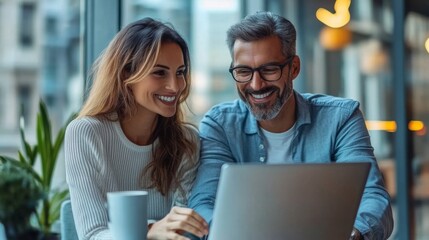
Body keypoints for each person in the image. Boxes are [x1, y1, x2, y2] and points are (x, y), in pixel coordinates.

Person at [188, 11, 393, 240]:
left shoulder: (341, 118)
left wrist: (351, 235)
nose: (256, 85)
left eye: (269, 70)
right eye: (244, 71)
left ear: (294, 68)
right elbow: (202, 204)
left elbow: (372, 197)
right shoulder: (220, 125)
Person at [65, 18, 208, 240]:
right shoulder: (85, 133)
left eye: (180, 72)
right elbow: (93, 235)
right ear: (125, 75)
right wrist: (149, 232)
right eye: (160, 72)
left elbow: (181, 231)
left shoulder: (187, 141)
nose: (175, 86)